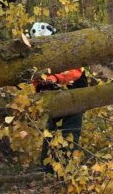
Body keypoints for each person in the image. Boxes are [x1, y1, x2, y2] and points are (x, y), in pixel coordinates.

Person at [29, 22, 87, 167]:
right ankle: (48, 168)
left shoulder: (66, 50)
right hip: (54, 101)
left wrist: (55, 78)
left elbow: (75, 72)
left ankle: (67, 169)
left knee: (70, 135)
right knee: (50, 132)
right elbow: (35, 80)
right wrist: (40, 84)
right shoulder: (37, 57)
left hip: (74, 98)